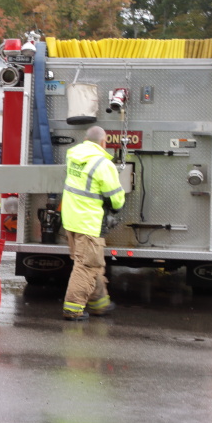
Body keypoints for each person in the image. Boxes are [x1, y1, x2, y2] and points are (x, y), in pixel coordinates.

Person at [61, 126, 125, 321]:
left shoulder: (73, 156)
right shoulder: (103, 165)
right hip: (89, 223)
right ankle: (73, 309)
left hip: (71, 220)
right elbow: (116, 200)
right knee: (87, 266)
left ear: (86, 139)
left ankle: (100, 303)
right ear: (104, 142)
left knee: (93, 264)